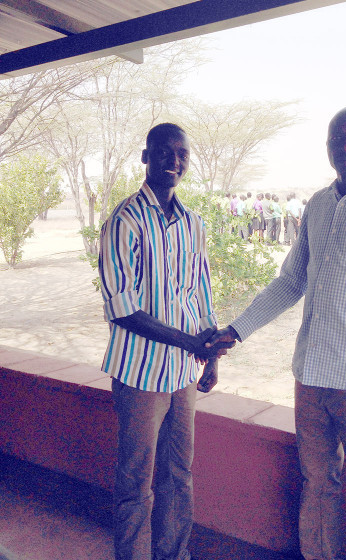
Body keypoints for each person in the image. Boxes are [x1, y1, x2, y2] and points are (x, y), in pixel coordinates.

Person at [205, 106, 346, 560]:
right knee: (317, 487)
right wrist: (237, 330)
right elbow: (292, 281)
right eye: (338, 138)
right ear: (327, 146)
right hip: (310, 377)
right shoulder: (319, 204)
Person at [99, 122, 233, 560]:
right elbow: (123, 307)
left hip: (182, 375)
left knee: (178, 475)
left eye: (182, 154)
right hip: (140, 373)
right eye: (164, 152)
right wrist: (189, 343)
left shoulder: (193, 223)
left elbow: (200, 294)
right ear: (145, 157)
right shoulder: (125, 220)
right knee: (135, 482)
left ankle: (174, 555)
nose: (174, 161)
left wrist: (210, 357)